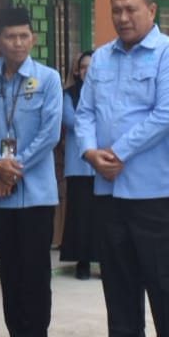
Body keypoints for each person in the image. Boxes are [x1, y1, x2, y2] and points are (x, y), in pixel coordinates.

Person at [75, 0, 169, 337]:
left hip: (157, 189)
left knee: (165, 281)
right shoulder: (102, 59)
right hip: (109, 189)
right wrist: (89, 151)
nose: (123, 18)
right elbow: (84, 112)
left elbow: (167, 115)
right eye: (116, 10)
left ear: (151, 10)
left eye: (131, 9)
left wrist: (118, 152)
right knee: (119, 279)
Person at [0, 7, 63, 337]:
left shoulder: (48, 79)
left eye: (24, 35)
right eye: (10, 36)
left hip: (36, 194)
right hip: (0, 194)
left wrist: (12, 169)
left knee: (35, 274)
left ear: (33, 38)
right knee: (9, 274)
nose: (18, 42)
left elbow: (50, 133)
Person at [59, 50, 99, 280]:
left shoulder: (105, 92)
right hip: (78, 165)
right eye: (83, 67)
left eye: (91, 67)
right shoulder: (69, 94)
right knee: (80, 216)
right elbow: (70, 120)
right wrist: (96, 121)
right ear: (77, 71)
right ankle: (82, 261)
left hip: (102, 166)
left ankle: (102, 260)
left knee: (102, 217)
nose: (87, 71)